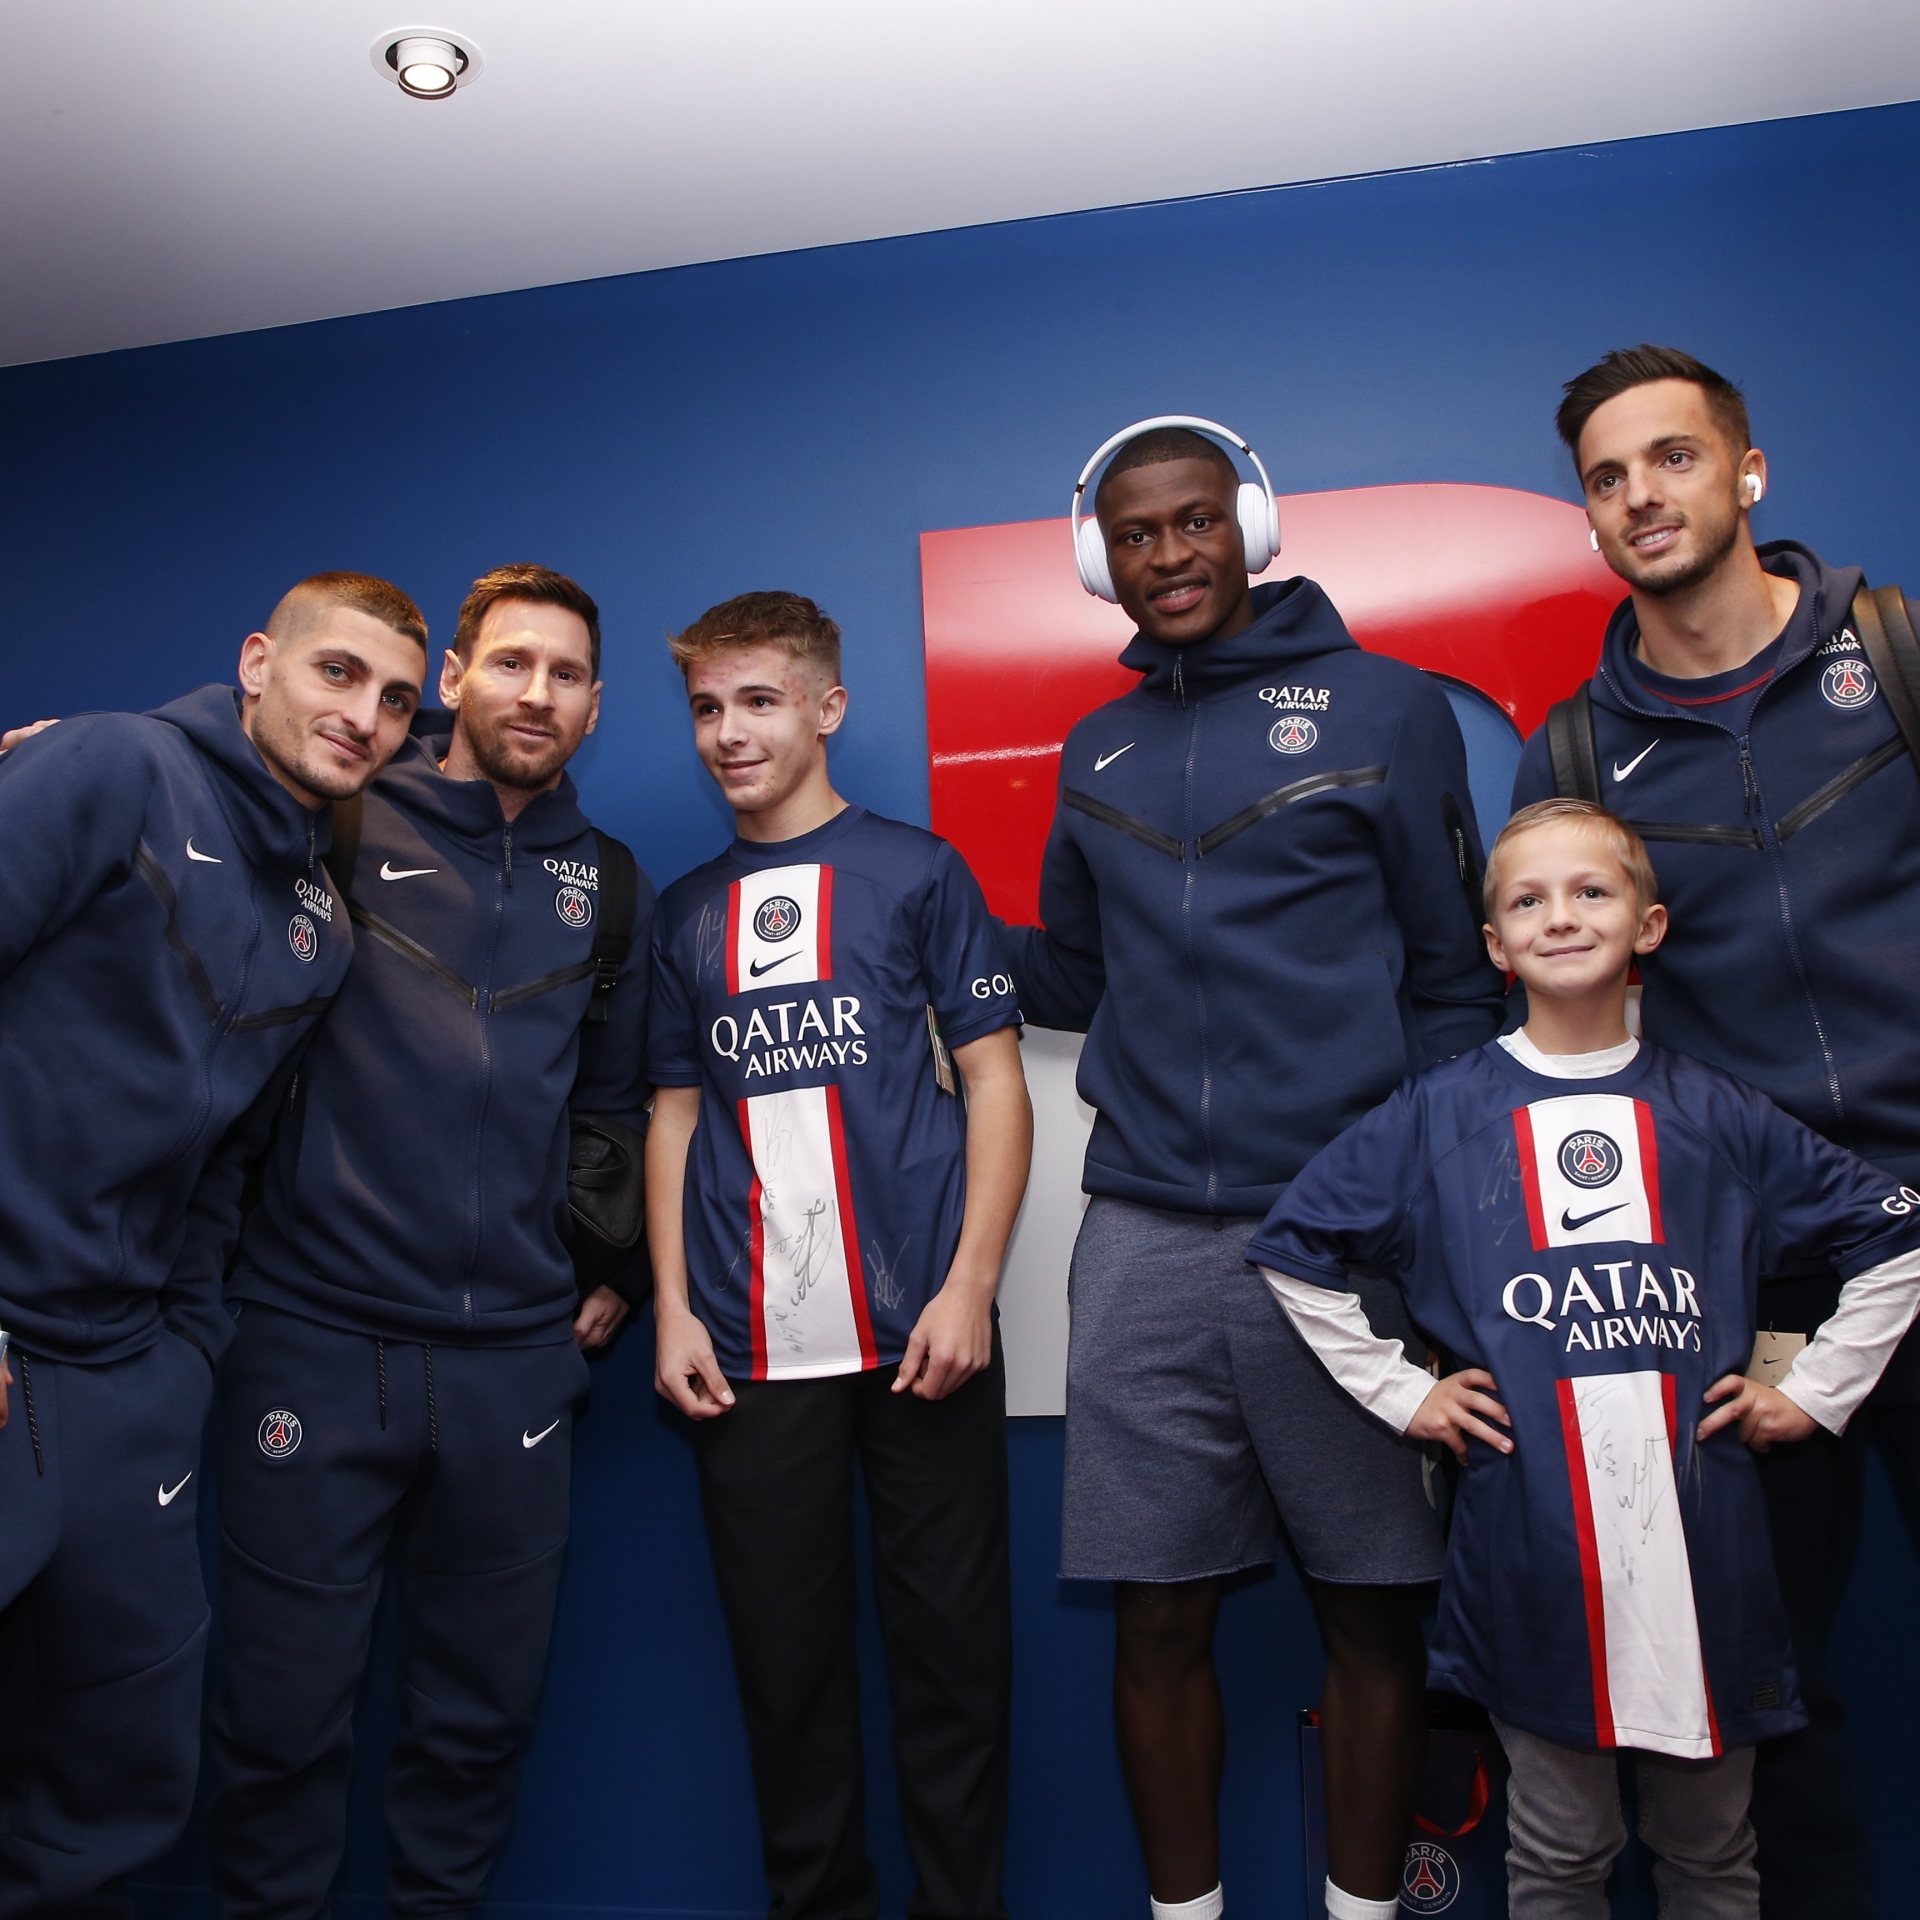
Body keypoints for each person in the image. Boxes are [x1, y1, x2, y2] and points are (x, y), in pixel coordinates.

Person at [1000, 420, 1508, 1920]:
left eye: (1194, 522)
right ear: (1103, 557)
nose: (1168, 555)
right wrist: (935, 945)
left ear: (1253, 526)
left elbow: (1450, 978)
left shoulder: (1388, 707)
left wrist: (1417, 1212)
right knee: (1153, 1617)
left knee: (1372, 1613)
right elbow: (1078, 972)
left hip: (1338, 1239)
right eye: (1137, 533)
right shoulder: (1096, 746)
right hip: (1145, 1235)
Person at [1249, 799, 1920, 1918]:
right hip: (1532, 1561)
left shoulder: (1721, 1114)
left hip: (1709, 1564)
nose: (1561, 918)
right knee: (1559, 1853)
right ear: (1494, 948)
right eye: (1528, 900)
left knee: (1713, 1853)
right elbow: (1292, 1249)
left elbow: (1897, 1233)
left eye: (1592, 892)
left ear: (1649, 924)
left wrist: (1813, 1394)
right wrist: (1404, 1392)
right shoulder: (1437, 1115)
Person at [1511, 344, 1920, 1917]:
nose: (1639, 497)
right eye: (1608, 478)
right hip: (1762, 1283)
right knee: (1768, 1685)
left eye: (1671, 460)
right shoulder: (1574, 750)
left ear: (1747, 473)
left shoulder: (1887, 656)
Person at [201, 564, 654, 1920]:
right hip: (310, 1346)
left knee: (477, 1726)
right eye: (511, 664)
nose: (538, 693)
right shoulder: (330, 815)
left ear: (594, 706)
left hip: (514, 1370)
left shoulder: (608, 881)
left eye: (567, 674)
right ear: (451, 683)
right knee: (278, 1729)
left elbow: (614, 1102)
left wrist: (610, 1265)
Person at [0, 572, 428, 1916]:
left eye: (399, 701)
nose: (366, 717)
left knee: (117, 1781)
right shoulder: (111, 766)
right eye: (339, 674)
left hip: (125, 1380)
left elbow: (221, 1171)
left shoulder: (323, 926)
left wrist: (180, 1357)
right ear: (259, 663)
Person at [646, 590, 1031, 1920]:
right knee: (787, 1672)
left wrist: (974, 1283)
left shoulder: (917, 872)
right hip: (749, 1349)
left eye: (757, 701)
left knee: (953, 1665)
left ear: (826, 706)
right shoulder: (685, 908)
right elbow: (674, 1111)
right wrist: (672, 1312)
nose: (728, 733)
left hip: (927, 1334)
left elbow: (994, 1082)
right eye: (705, 707)